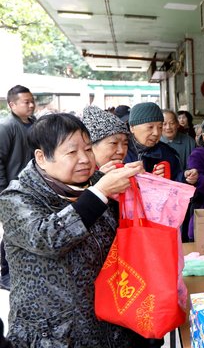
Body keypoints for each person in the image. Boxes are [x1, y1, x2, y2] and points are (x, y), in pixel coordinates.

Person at [0, 113, 144, 346]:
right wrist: (100, 194)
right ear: (42, 157)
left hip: (106, 323)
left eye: (88, 150)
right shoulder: (17, 198)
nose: (85, 159)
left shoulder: (97, 180)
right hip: (53, 334)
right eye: (71, 152)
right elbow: (48, 238)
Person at [0, 85, 36, 291]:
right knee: (11, 231)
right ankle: (5, 272)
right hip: (12, 190)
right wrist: (3, 192)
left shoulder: (35, 124)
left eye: (32, 101)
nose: (31, 105)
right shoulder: (6, 127)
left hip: (31, 189)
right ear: (12, 104)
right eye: (26, 102)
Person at [124, 102, 198, 185]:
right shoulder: (120, 152)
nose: (156, 133)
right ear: (132, 128)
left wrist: (185, 177)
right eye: (150, 127)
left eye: (160, 127)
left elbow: (176, 180)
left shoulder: (167, 153)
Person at [82, 105, 130, 172]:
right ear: (91, 146)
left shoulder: (126, 172)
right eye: (114, 143)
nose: (121, 151)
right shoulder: (77, 178)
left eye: (125, 144)